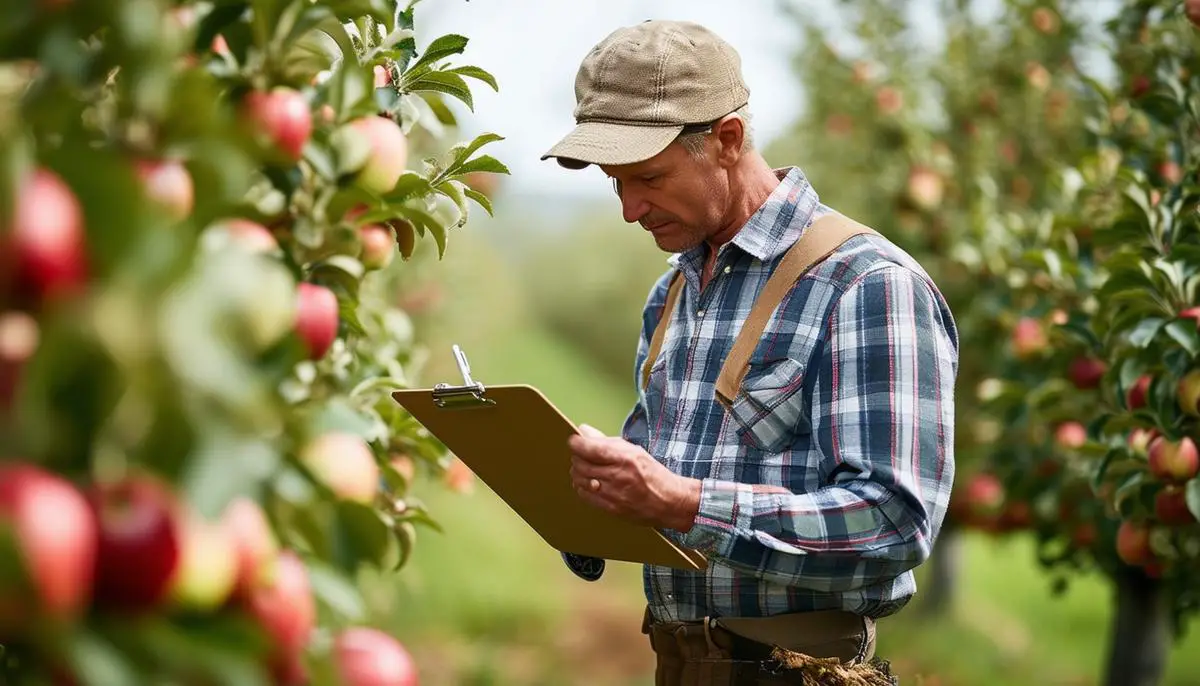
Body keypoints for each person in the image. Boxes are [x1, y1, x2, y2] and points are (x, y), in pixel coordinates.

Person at [545, 19, 959, 686]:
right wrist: (581, 501)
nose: (628, 209)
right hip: (679, 663)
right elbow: (658, 486)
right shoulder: (676, 290)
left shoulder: (865, 286)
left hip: (797, 671)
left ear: (727, 140)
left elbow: (891, 522)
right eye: (613, 182)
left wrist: (685, 504)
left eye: (646, 177)